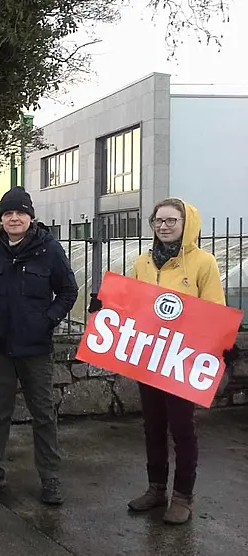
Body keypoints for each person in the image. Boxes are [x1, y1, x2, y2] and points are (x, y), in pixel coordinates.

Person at [89, 198, 236, 524]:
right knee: (152, 425)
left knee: (182, 428)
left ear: (187, 225)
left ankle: (183, 496)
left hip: (183, 360)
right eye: (159, 220)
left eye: (172, 220)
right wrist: (105, 305)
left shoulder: (203, 263)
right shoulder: (143, 262)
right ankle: (156, 488)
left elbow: (215, 309)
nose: (164, 226)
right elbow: (130, 304)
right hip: (150, 357)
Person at [0, 186, 78, 505]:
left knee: (43, 413)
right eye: (8, 213)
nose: (14, 218)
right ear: (1, 219)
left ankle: (50, 477)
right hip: (0, 347)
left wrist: (47, 320)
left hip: (36, 348)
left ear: (31, 217)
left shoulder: (50, 250)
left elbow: (68, 291)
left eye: (20, 213)